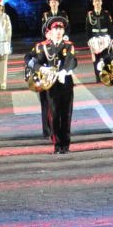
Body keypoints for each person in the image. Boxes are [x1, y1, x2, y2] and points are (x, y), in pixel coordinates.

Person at [27, 19, 77, 153]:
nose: (59, 32)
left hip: (65, 82)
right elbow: (36, 62)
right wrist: (42, 69)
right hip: (51, 84)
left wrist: (64, 72)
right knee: (54, 114)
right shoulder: (45, 46)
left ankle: (65, 144)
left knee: (66, 114)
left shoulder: (68, 45)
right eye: (56, 29)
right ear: (50, 31)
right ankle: (57, 144)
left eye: (61, 29)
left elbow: (71, 61)